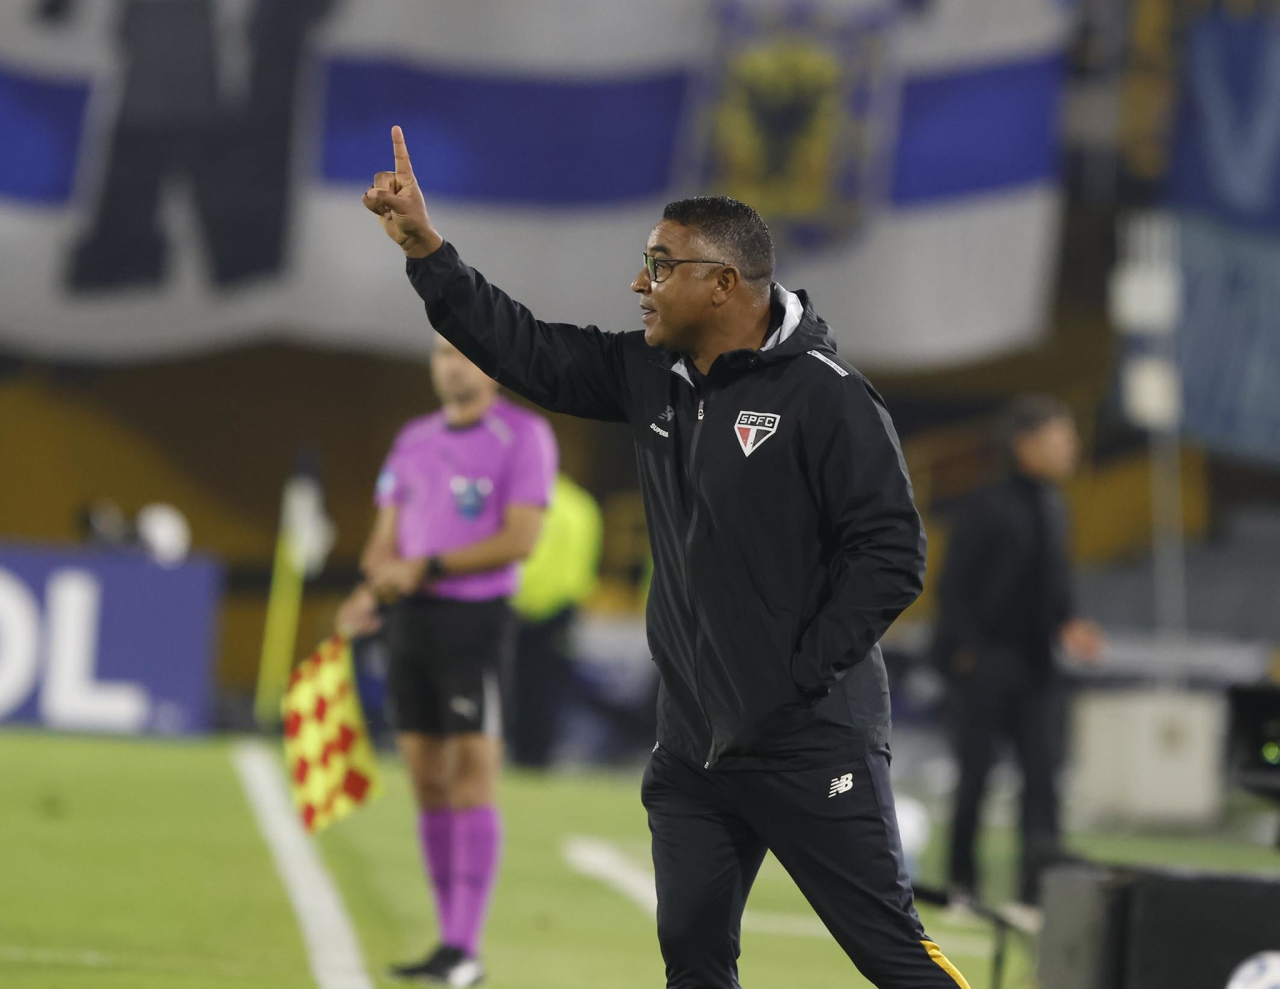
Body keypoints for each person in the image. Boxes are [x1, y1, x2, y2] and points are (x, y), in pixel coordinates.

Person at [362, 126, 969, 988]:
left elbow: (893, 554)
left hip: (809, 742)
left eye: (660, 263)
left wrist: (794, 675)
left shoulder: (828, 398)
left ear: (723, 284)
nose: (639, 283)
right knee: (690, 953)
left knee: (891, 955)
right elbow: (524, 346)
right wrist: (427, 250)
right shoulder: (649, 373)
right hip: (693, 750)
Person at [336, 334, 557, 987]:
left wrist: (424, 566)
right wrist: (368, 590)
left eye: (462, 352)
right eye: (439, 354)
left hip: (476, 622)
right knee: (426, 778)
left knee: (471, 775)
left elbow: (521, 538)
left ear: (492, 365)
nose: (449, 365)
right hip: (410, 623)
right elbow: (384, 539)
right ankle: (446, 940)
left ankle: (466, 945)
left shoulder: (524, 436)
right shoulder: (412, 438)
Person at [934, 395, 1104, 916]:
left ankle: (1037, 889)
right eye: (1060, 438)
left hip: (1036, 664)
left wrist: (1069, 623)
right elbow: (954, 585)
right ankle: (962, 884)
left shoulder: (1055, 504)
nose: (1070, 448)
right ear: (1025, 445)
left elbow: (1053, 583)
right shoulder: (986, 504)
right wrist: (965, 655)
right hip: (985, 661)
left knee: (1043, 779)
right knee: (976, 777)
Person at [508, 473, 603, 768]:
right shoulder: (580, 504)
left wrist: (521, 600)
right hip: (560, 609)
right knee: (549, 686)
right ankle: (539, 753)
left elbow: (524, 559)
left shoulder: (521, 499)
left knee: (515, 684)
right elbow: (581, 566)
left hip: (518, 608)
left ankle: (521, 751)